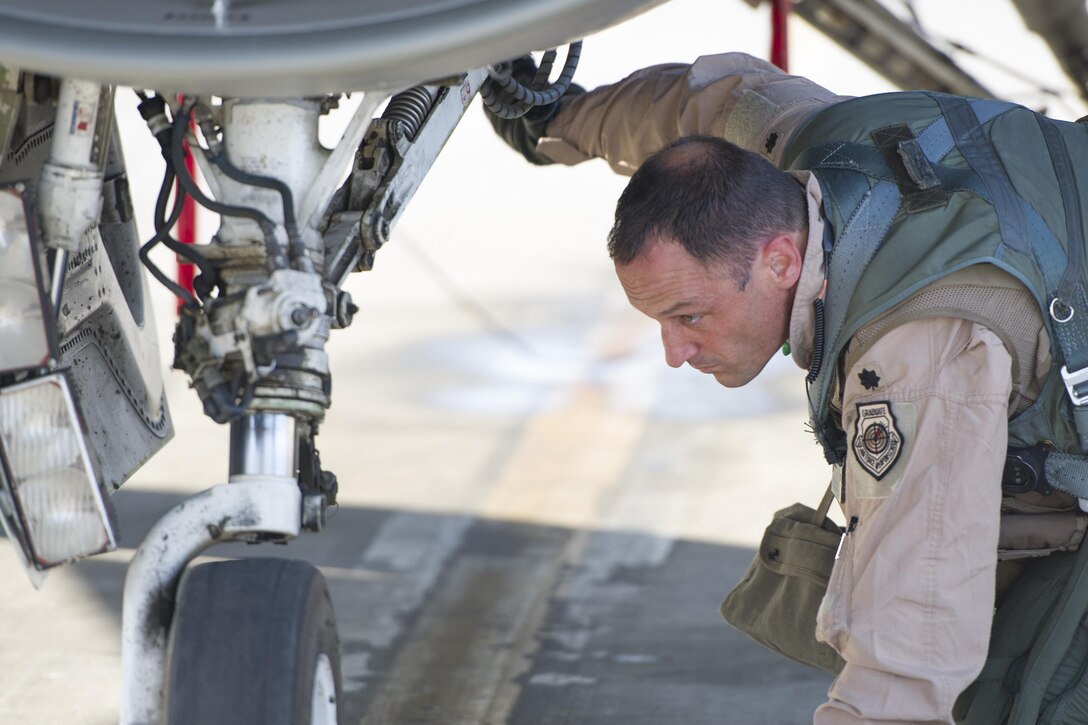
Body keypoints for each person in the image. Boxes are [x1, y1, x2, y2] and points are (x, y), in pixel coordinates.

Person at [487, 52, 1088, 723]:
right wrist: (556, 120)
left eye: (690, 315)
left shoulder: (917, 358)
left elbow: (908, 650)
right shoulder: (795, 148)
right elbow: (702, 99)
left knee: (1029, 697)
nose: (675, 351)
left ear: (780, 259)